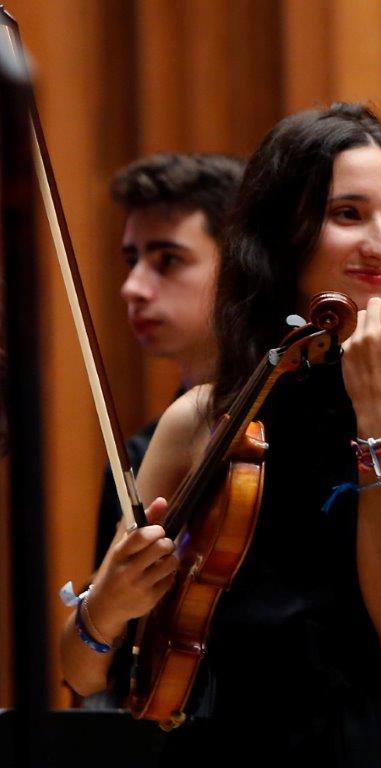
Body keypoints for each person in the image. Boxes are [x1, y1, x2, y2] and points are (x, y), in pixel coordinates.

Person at [60, 103, 381, 763]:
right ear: (278, 232)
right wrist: (106, 608)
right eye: (347, 214)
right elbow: (83, 672)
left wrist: (379, 412)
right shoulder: (202, 417)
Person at [93, 153, 245, 567]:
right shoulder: (137, 459)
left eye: (167, 260)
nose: (133, 287)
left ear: (240, 264)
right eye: (132, 261)